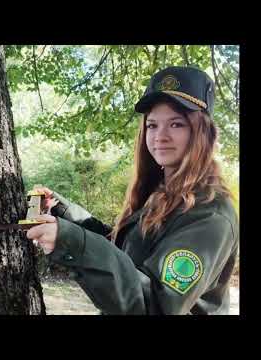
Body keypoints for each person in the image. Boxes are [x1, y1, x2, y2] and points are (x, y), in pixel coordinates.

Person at [26, 66, 239, 315]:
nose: (161, 136)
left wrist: (71, 241)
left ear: (202, 132)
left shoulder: (211, 214)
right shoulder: (162, 193)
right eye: (152, 125)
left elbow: (155, 306)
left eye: (176, 124)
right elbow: (124, 256)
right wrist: (63, 212)